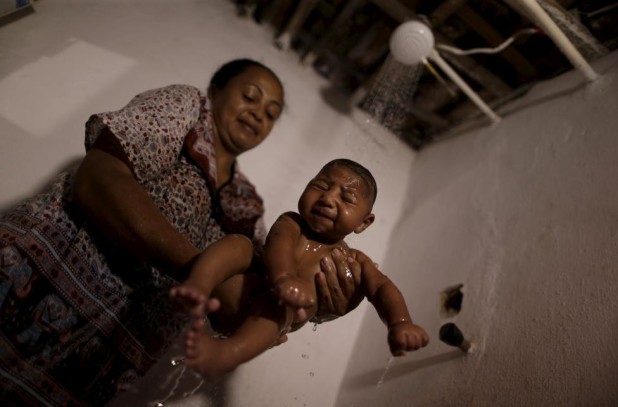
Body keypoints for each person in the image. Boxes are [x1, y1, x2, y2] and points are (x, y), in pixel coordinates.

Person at [0, 59, 360, 407]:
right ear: (215, 92)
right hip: (25, 285)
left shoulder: (248, 208)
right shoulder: (187, 109)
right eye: (250, 96)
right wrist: (202, 271)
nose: (257, 114)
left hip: (92, 363)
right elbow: (98, 178)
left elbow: (241, 310)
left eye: (270, 114)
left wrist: (314, 301)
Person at [170, 158, 430, 377]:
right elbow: (278, 245)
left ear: (363, 223)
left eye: (346, 197)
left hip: (271, 317)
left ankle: (226, 354)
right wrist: (283, 278)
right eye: (320, 186)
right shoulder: (292, 222)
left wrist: (400, 322)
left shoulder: (354, 260)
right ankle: (197, 286)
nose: (327, 198)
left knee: (279, 307)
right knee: (240, 244)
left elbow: (382, 287)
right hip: (246, 283)